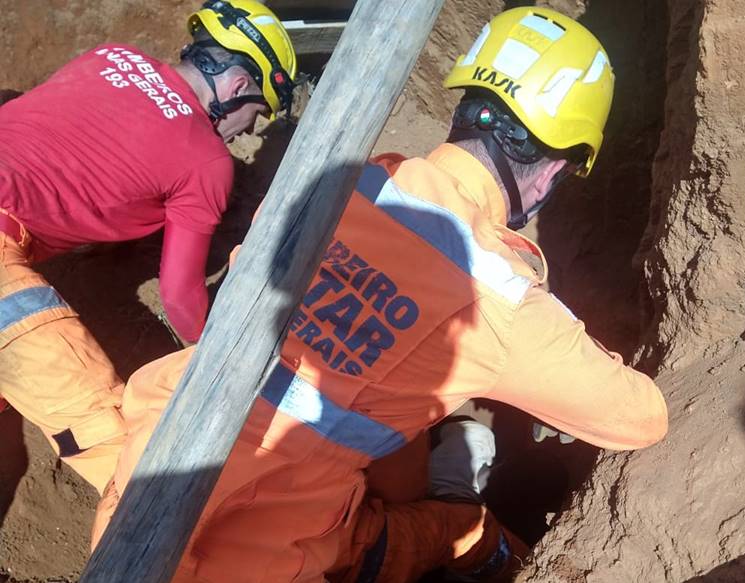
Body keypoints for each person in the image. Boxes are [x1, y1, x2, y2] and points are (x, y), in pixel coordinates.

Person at [92, 7, 668, 582]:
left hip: (142, 485)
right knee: (457, 528)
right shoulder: (500, 297)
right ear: (553, 171)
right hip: (271, 547)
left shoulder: (337, 181)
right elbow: (640, 420)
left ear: (465, 104)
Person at [0, 0, 297, 492]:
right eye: (256, 111)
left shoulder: (110, 56)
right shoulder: (206, 163)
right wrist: (235, 359)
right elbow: (181, 301)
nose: (248, 129)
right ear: (238, 85)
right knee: (126, 459)